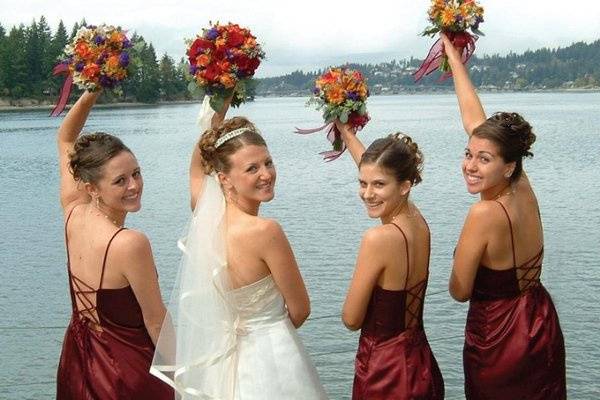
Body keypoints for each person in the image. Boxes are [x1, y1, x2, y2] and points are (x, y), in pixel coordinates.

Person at [150, 97, 328, 399]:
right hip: (273, 355)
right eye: (252, 168)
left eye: (268, 162)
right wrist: (270, 333)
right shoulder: (265, 231)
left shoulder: (205, 219)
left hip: (222, 362)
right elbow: (300, 310)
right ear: (224, 178)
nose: (266, 174)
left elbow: (195, 172)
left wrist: (219, 102)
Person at [442, 34, 566, 399]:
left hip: (499, 334)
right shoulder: (521, 182)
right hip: (539, 318)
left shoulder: (484, 214)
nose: (470, 166)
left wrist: (459, 257)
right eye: (469, 154)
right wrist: (454, 59)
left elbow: (459, 290)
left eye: (483, 159)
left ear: (507, 165)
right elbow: (474, 121)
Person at [55, 91, 173, 399]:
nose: (134, 185)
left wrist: (93, 88)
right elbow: (156, 321)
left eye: (136, 173)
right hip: (128, 372)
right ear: (92, 187)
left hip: (79, 364)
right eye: (120, 181)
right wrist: (183, 381)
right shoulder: (130, 243)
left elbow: (66, 138)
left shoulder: (73, 213)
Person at [335, 121, 444, 400]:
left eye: (378, 185)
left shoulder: (379, 239)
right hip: (421, 363)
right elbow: (376, 167)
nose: (368, 194)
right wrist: (348, 135)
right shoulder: (417, 221)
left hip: (385, 372)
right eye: (362, 183)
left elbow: (351, 318)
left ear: (405, 186)